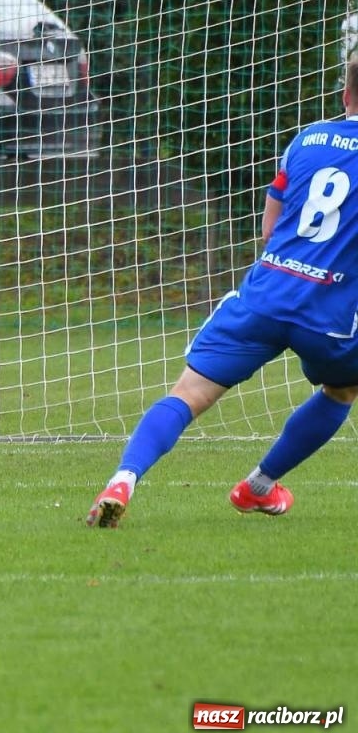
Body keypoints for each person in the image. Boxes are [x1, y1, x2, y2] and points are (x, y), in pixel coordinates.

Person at [87, 58, 358, 528]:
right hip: (330, 315)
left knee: (189, 393)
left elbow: (270, 230)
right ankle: (259, 486)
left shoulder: (307, 139)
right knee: (342, 389)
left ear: (345, 94)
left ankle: (122, 480)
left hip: (264, 294)